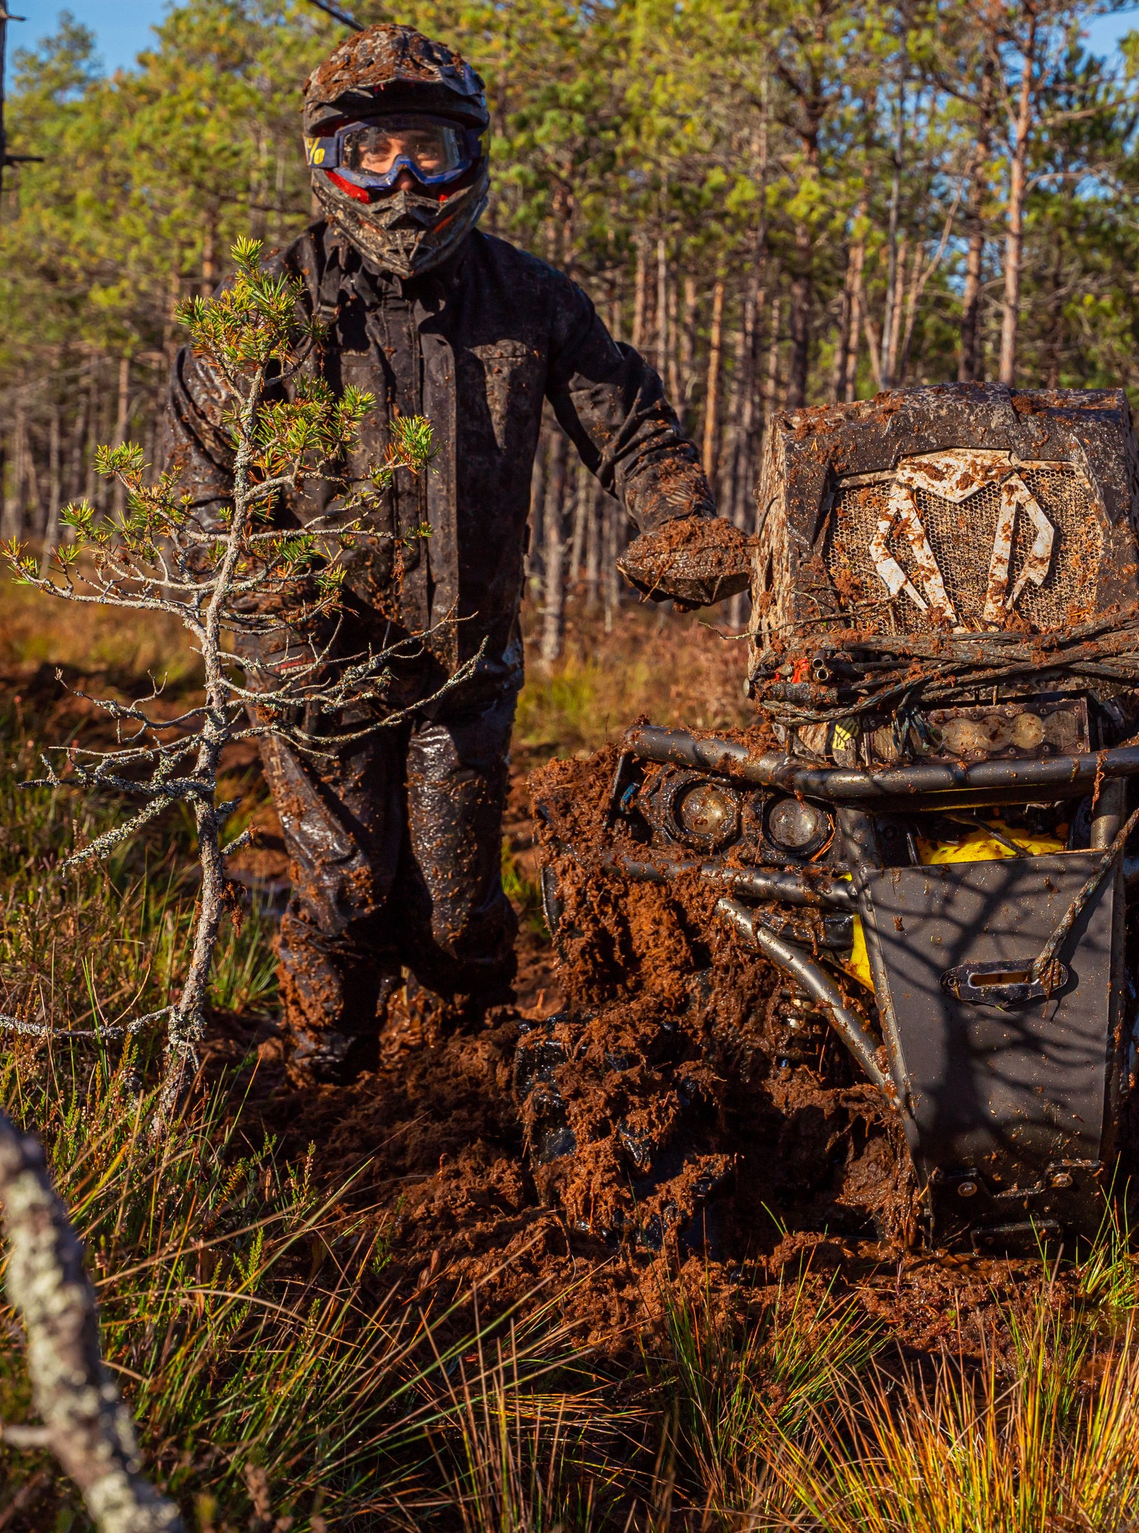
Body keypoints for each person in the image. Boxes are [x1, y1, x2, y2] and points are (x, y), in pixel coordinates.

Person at [172, 25, 748, 1083]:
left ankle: (468, 1077)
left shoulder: (529, 299)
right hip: (313, 669)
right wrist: (277, 611)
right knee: (346, 885)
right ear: (328, 158)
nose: (402, 180)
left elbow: (626, 423)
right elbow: (196, 482)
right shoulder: (263, 307)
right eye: (376, 150)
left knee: (456, 906)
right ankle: (326, 1080)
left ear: (470, 156)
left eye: (427, 150)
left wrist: (677, 517)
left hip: (464, 665)